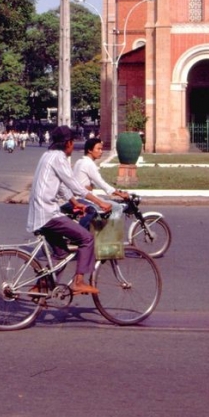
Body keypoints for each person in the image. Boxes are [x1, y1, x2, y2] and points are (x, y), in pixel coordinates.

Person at [28, 126, 111, 295]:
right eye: (73, 142)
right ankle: (78, 282)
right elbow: (74, 185)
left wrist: (74, 203)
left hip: (39, 214)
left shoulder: (47, 156)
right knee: (87, 238)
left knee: (61, 254)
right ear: (68, 143)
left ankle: (40, 287)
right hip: (48, 214)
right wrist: (99, 202)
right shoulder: (59, 158)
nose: (73, 147)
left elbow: (62, 187)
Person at [71, 138, 129, 227]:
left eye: (101, 149)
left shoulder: (80, 161)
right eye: (98, 149)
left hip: (77, 197)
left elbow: (85, 182)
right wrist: (120, 194)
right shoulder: (89, 164)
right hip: (84, 199)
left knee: (105, 203)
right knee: (117, 207)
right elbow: (101, 183)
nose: (101, 151)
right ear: (89, 150)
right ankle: (109, 234)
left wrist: (90, 186)